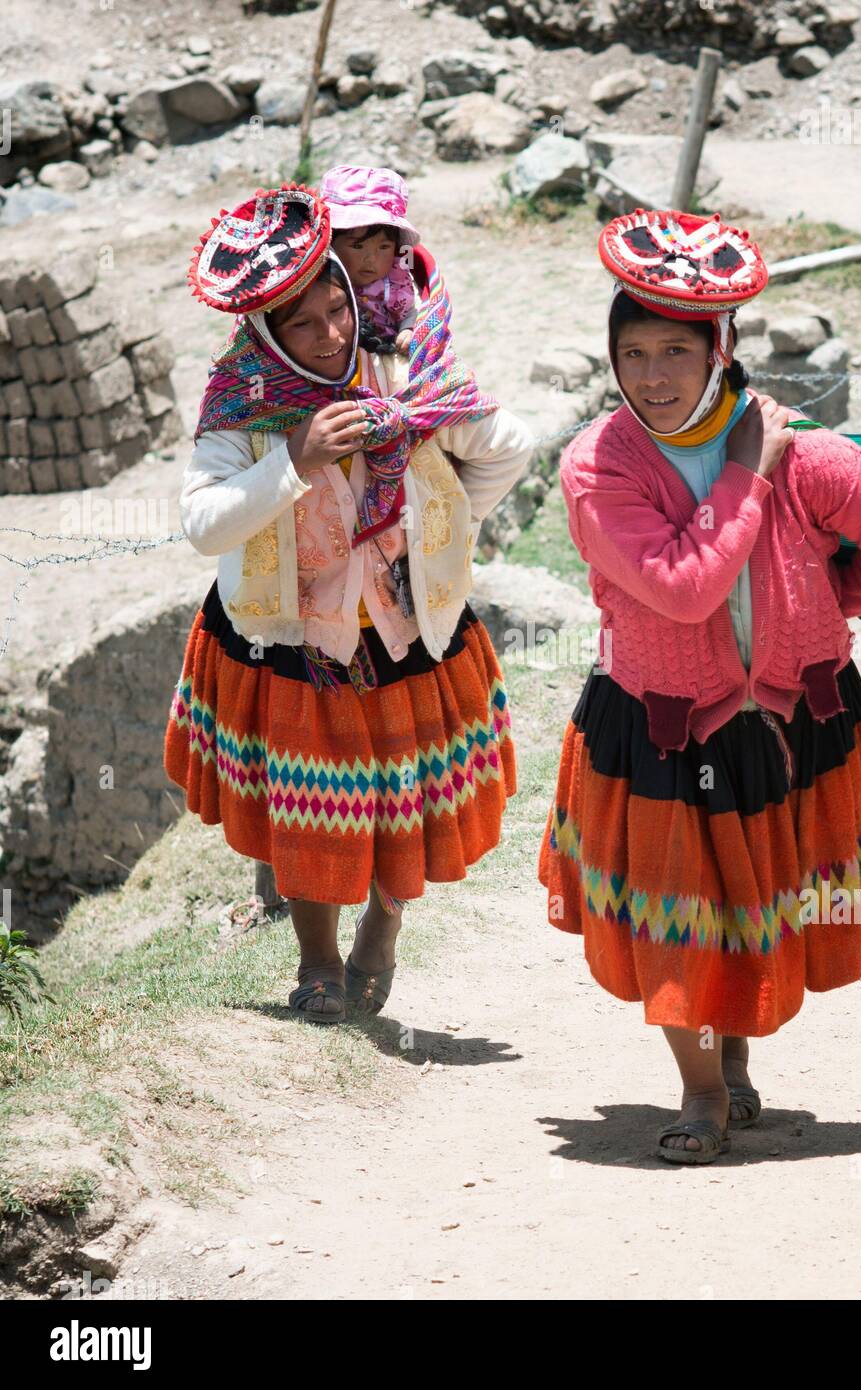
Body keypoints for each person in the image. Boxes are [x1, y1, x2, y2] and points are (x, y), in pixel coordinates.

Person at [537, 208, 861, 1163]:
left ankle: (737, 1057)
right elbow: (683, 591)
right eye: (631, 353)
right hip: (660, 719)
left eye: (674, 351)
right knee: (680, 910)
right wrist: (746, 480)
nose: (651, 376)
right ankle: (701, 1091)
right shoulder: (599, 468)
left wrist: (824, 608)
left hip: (788, 715)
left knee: (755, 899)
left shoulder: (802, 452)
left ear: (719, 348)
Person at [165, 184, 535, 1023]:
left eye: (339, 307)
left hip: (408, 632)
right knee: (309, 808)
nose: (332, 334)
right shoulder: (244, 405)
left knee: (404, 801)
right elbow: (203, 525)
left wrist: (443, 520)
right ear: (264, 333)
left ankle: (383, 929)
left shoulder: (402, 371)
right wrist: (292, 459)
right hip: (296, 640)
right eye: (304, 323)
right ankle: (318, 963)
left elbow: (507, 444)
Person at [321, 165, 420, 356]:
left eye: (384, 248)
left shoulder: (396, 282)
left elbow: (411, 311)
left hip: (385, 353)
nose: (371, 259)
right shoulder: (319, 282)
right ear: (331, 243)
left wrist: (407, 330)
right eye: (357, 246)